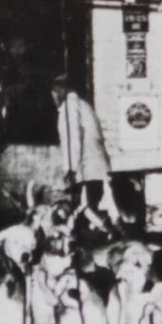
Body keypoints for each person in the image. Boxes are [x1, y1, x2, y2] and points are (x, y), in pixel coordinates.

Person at [50, 71, 122, 226]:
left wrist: (70, 169)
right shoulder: (83, 105)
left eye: (54, 91)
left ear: (62, 90)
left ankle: (109, 236)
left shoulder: (70, 106)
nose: (53, 96)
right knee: (94, 211)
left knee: (87, 212)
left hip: (87, 170)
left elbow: (72, 138)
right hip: (96, 169)